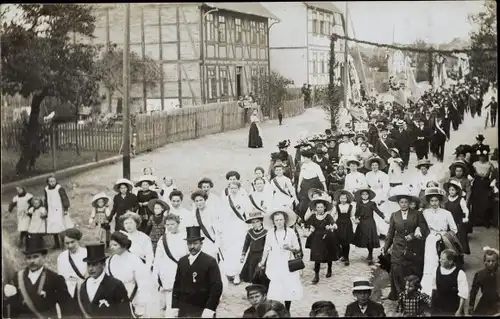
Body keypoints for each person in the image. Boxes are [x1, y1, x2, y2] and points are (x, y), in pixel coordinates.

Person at [3, 236, 72, 318]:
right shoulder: (16, 278)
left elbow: (67, 307)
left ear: (44, 257)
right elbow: (11, 307)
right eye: (28, 258)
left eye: (35, 256)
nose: (32, 261)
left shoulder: (55, 279)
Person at [383, 185, 429, 301]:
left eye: (406, 202)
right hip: (398, 246)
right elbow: (390, 233)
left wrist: (413, 235)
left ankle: (411, 294)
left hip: (413, 247)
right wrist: (385, 247)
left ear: (410, 203)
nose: (404, 204)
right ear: (398, 203)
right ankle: (398, 295)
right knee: (396, 269)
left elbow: (425, 230)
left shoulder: (417, 214)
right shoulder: (394, 215)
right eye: (401, 202)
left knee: (411, 271)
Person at [258, 207, 303, 313]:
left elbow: (297, 248)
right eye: (277, 220)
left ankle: (287, 310)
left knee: (288, 285)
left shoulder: (291, 232)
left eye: (281, 219)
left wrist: (290, 248)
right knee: (275, 285)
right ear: (273, 221)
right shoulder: (270, 233)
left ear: (285, 220)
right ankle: (276, 310)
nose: (279, 222)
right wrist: (262, 262)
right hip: (274, 261)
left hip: (287, 261)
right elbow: (266, 248)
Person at [172, 226, 223, 318]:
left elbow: (217, 287)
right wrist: (175, 306)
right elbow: (177, 285)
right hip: (184, 308)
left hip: (202, 308)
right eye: (189, 244)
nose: (192, 247)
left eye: (195, 243)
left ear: (201, 244)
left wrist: (210, 309)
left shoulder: (210, 261)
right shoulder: (182, 261)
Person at [106, 231, 157, 318]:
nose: (112, 248)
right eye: (111, 245)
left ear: (124, 246)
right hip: (114, 301)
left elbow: (143, 284)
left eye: (115, 245)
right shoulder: (109, 261)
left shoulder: (134, 260)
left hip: (132, 300)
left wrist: (140, 306)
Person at [74, 243, 132, 318]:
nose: (90, 269)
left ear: (103, 265)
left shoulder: (116, 285)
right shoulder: (82, 285)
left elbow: (124, 314)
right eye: (88, 264)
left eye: (94, 264)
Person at [420, 187, 458, 295]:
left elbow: (454, 229)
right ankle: (427, 291)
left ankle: (442, 289)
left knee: (442, 261)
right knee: (430, 263)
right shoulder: (425, 212)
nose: (434, 203)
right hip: (431, 239)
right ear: (428, 202)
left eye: (436, 200)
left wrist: (445, 235)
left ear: (440, 201)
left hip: (443, 239)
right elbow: (421, 225)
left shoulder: (446, 213)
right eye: (431, 201)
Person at [153, 213, 188, 317]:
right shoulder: (163, 239)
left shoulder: (184, 237)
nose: (170, 226)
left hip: (182, 270)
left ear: (178, 224)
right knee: (170, 300)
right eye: (167, 225)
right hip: (167, 271)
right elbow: (158, 258)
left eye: (172, 224)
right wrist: (156, 273)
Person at [220, 180, 252, 285]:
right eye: (231, 188)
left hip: (240, 226)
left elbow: (248, 212)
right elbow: (222, 214)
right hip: (228, 227)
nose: (233, 190)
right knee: (228, 250)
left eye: (235, 188)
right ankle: (229, 272)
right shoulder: (225, 200)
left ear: (239, 189)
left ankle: (238, 274)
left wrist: (248, 225)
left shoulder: (243, 199)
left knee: (239, 249)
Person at [427, 249, 469, 316]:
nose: (439, 260)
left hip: (452, 307)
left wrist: (459, 311)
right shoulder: (436, 270)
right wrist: (432, 307)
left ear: (450, 261)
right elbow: (434, 289)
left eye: (443, 259)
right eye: (440, 258)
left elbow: (463, 295)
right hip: (438, 307)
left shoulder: (460, 274)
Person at [353, 188, 386, 265]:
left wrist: (384, 217)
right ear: (361, 196)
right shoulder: (359, 203)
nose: (365, 196)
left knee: (370, 238)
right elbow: (356, 213)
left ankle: (370, 254)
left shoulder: (372, 203)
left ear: (369, 195)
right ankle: (368, 253)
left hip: (370, 222)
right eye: (363, 194)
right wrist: (356, 218)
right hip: (362, 223)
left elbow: (377, 211)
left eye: (366, 194)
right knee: (364, 238)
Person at [57, 228, 88, 299]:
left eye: (72, 242)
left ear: (78, 240)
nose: (70, 246)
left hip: (84, 290)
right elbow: (61, 277)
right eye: (67, 243)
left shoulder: (86, 253)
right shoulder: (61, 257)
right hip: (68, 291)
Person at [468, 246, 500, 316]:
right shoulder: (480, 274)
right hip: (486, 300)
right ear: (484, 261)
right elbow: (474, 291)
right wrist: (471, 305)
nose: (491, 263)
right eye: (488, 261)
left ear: (497, 261)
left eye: (493, 261)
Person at [443, 180, 470, 259]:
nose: (451, 192)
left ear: (457, 191)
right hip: (449, 224)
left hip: (458, 223)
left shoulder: (460, 200)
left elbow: (465, 210)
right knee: (450, 241)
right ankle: (452, 258)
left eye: (453, 190)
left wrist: (466, 218)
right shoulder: (446, 200)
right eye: (450, 190)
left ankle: (460, 258)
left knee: (459, 242)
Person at [44, 175, 73, 249]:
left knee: (60, 226)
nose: (52, 183)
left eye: (53, 181)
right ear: (48, 182)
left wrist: (65, 209)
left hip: (59, 209)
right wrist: (46, 209)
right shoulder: (46, 189)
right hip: (51, 210)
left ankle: (63, 242)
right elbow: (46, 200)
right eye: (50, 181)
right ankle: (56, 243)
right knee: (53, 227)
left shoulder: (59, 188)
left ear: (56, 181)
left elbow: (64, 198)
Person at [240, 211, 268, 285]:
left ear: (261, 221)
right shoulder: (250, 232)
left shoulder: (266, 232)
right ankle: (253, 286)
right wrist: (243, 255)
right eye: (253, 222)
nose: (255, 224)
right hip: (251, 255)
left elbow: (267, 246)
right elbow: (246, 244)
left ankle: (262, 288)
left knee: (261, 272)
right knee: (251, 272)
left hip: (261, 255)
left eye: (257, 221)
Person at [365, 156, 390, 237]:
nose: (374, 167)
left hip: (380, 193)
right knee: (371, 213)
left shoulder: (383, 175)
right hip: (371, 194)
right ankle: (374, 232)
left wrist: (382, 198)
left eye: (376, 165)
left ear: (378, 166)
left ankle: (384, 232)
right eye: (372, 165)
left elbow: (386, 187)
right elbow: (366, 185)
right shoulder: (368, 174)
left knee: (381, 212)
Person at [471, 144, 494, 228]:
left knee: (486, 202)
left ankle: (486, 221)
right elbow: (471, 174)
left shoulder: (489, 164)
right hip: (477, 183)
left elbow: (493, 174)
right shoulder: (475, 164)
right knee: (476, 202)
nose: (482, 158)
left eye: (483, 156)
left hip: (485, 184)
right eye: (480, 156)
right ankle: (476, 221)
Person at [333, 190, 355, 266]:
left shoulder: (350, 206)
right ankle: (342, 254)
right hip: (339, 224)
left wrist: (355, 221)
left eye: (344, 198)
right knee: (340, 240)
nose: (343, 200)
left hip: (347, 225)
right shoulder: (336, 206)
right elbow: (333, 215)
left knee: (346, 241)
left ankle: (346, 258)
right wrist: (333, 223)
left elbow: (352, 216)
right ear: (339, 199)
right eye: (341, 198)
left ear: (347, 199)